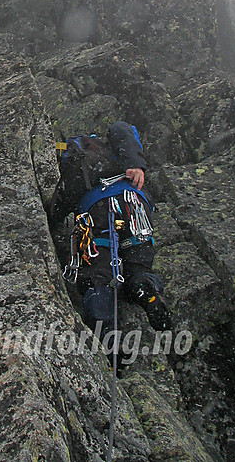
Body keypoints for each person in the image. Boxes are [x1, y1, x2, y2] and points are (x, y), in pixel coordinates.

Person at [47, 121, 171, 335]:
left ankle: (105, 329)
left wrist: (51, 220)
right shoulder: (112, 148)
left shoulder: (74, 158)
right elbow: (122, 127)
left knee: (99, 273)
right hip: (132, 202)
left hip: (95, 212)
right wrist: (135, 164)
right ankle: (145, 287)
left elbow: (62, 201)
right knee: (139, 265)